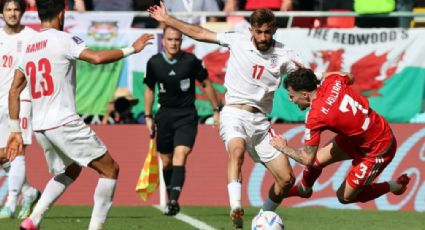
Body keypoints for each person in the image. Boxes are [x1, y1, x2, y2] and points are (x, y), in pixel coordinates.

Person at [148, 3, 302, 228]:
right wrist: (168, 19)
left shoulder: (285, 55)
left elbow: (307, 77)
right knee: (236, 150)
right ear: (251, 30)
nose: (262, 36)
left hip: (260, 122)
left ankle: (263, 216)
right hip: (234, 113)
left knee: (287, 179)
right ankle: (235, 207)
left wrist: (333, 77)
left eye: (267, 32)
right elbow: (200, 33)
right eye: (258, 31)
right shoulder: (237, 40)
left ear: (274, 31)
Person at [6, 0, 153, 229]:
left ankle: (33, 220)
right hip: (63, 121)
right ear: (62, 13)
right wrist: (132, 48)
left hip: (41, 127)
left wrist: (15, 130)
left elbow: (14, 89)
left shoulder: (30, 45)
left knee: (72, 169)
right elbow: (95, 58)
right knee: (110, 170)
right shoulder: (63, 39)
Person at [271, 68, 410, 205]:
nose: (291, 100)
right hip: (358, 137)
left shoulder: (315, 115)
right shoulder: (332, 81)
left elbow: (306, 158)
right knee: (316, 162)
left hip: (378, 148)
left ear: (305, 94)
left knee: (344, 197)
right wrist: (316, 76)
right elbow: (349, 76)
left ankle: (394, 186)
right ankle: (304, 190)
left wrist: (283, 147)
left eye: (292, 95)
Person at [144, 25, 220, 216]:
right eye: (170, 39)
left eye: (177, 39)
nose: (173, 43)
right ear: (163, 41)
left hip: (186, 115)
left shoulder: (191, 61)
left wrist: (216, 110)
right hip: (165, 116)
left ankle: (174, 201)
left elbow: (206, 84)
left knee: (181, 155)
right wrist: (147, 116)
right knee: (167, 161)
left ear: (181, 41)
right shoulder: (154, 63)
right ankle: (171, 198)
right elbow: (149, 90)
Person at [0, 0, 41, 220]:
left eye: (16, 9)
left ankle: (10, 203)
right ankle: (29, 192)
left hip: (23, 99)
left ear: (23, 12)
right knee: (3, 156)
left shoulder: (32, 37)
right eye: (8, 9)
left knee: (18, 149)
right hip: (0, 102)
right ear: (1, 13)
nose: (13, 13)